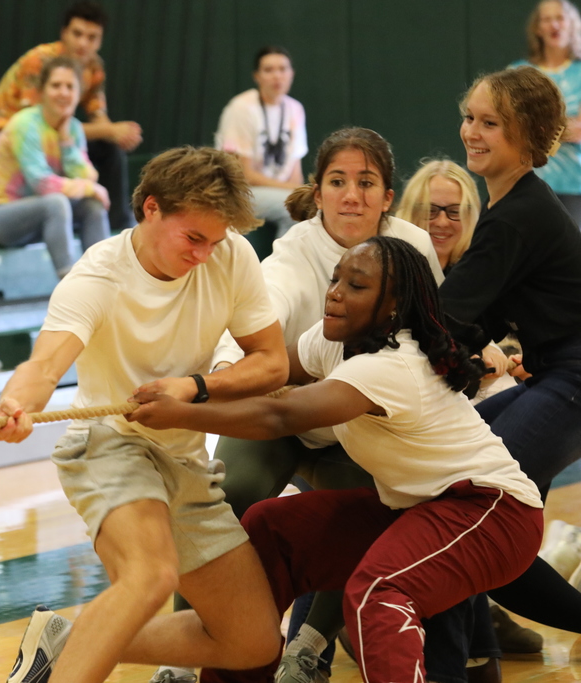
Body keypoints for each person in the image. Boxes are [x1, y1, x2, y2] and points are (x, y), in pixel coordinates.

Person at [128, 236, 545, 683]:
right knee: (272, 530)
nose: (336, 292)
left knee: (379, 594)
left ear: (392, 306)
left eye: (357, 285)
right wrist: (192, 384)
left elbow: (278, 414)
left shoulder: (393, 365)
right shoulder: (332, 341)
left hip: (494, 513)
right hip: (415, 510)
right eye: (335, 279)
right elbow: (268, 374)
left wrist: (183, 413)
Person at [152, 127, 443, 683]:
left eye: (366, 182)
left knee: (376, 514)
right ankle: (183, 654)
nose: (351, 195)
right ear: (318, 191)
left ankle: (308, 647)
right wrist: (216, 378)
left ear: (388, 195)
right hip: (279, 415)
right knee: (221, 497)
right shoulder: (290, 253)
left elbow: (435, 333)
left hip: (357, 430)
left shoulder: (415, 248)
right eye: (338, 181)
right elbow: (257, 323)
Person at [0, 146, 289, 683]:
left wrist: (195, 387)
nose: (204, 255)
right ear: (151, 209)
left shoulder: (231, 255)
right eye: (192, 239)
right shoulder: (97, 278)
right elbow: (43, 365)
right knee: (150, 575)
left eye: (214, 241)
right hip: (108, 442)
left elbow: (272, 363)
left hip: (185, 457)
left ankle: (64, 640)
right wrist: (17, 404)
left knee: (253, 640)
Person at [435, 66, 581, 639]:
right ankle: (476, 642)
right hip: (555, 375)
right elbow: (477, 317)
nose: (471, 131)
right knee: (469, 501)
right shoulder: (513, 205)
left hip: (570, 379)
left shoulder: (517, 215)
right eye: (469, 117)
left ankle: (471, 644)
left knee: (482, 517)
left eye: (490, 123)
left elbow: (444, 316)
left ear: (528, 134)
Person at [0, 1, 142, 232]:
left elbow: (99, 117)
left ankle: (116, 227)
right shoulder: (40, 61)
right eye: (77, 34)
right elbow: (38, 122)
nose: (83, 43)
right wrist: (111, 131)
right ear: (63, 33)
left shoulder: (94, 67)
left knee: (110, 150)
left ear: (100, 42)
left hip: (49, 137)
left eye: (92, 37)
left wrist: (116, 135)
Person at [0, 57, 110, 278]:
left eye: (70, 87)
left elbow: (87, 177)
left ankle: (103, 282)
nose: (63, 93)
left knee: (92, 207)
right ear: (41, 91)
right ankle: (70, 287)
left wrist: (66, 143)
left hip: (29, 217)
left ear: (79, 94)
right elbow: (43, 185)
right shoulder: (26, 124)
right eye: (56, 85)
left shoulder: (74, 129)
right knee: (56, 203)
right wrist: (90, 187)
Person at [215, 46, 308, 240]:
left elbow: (295, 172)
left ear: (292, 73)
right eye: (269, 70)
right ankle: (281, 269)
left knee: (314, 204)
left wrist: (300, 191)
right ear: (257, 76)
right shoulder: (241, 108)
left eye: (283, 69)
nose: (277, 76)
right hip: (243, 193)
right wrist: (295, 191)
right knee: (294, 208)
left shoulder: (295, 108)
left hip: (280, 191)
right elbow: (244, 175)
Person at [511, 0, 581, 224]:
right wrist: (563, 126)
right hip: (528, 182)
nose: (554, 25)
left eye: (560, 18)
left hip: (575, 186)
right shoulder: (518, 74)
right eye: (547, 19)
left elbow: (578, 130)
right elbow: (513, 127)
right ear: (537, 28)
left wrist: (538, 126)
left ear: (572, 24)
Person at [396, 159, 481, 273]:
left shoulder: (485, 277)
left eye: (454, 211)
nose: (442, 223)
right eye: (430, 210)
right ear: (410, 212)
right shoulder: (387, 273)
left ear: (471, 216)